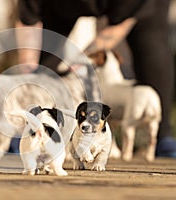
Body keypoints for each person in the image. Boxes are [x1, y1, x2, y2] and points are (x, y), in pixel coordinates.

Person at [15, 0, 176, 157]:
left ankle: (162, 137)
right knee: (45, 65)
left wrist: (83, 59)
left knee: (150, 37)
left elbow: (119, 26)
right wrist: (30, 76)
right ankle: (34, 131)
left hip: (133, 5)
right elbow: (29, 21)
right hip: (62, 5)